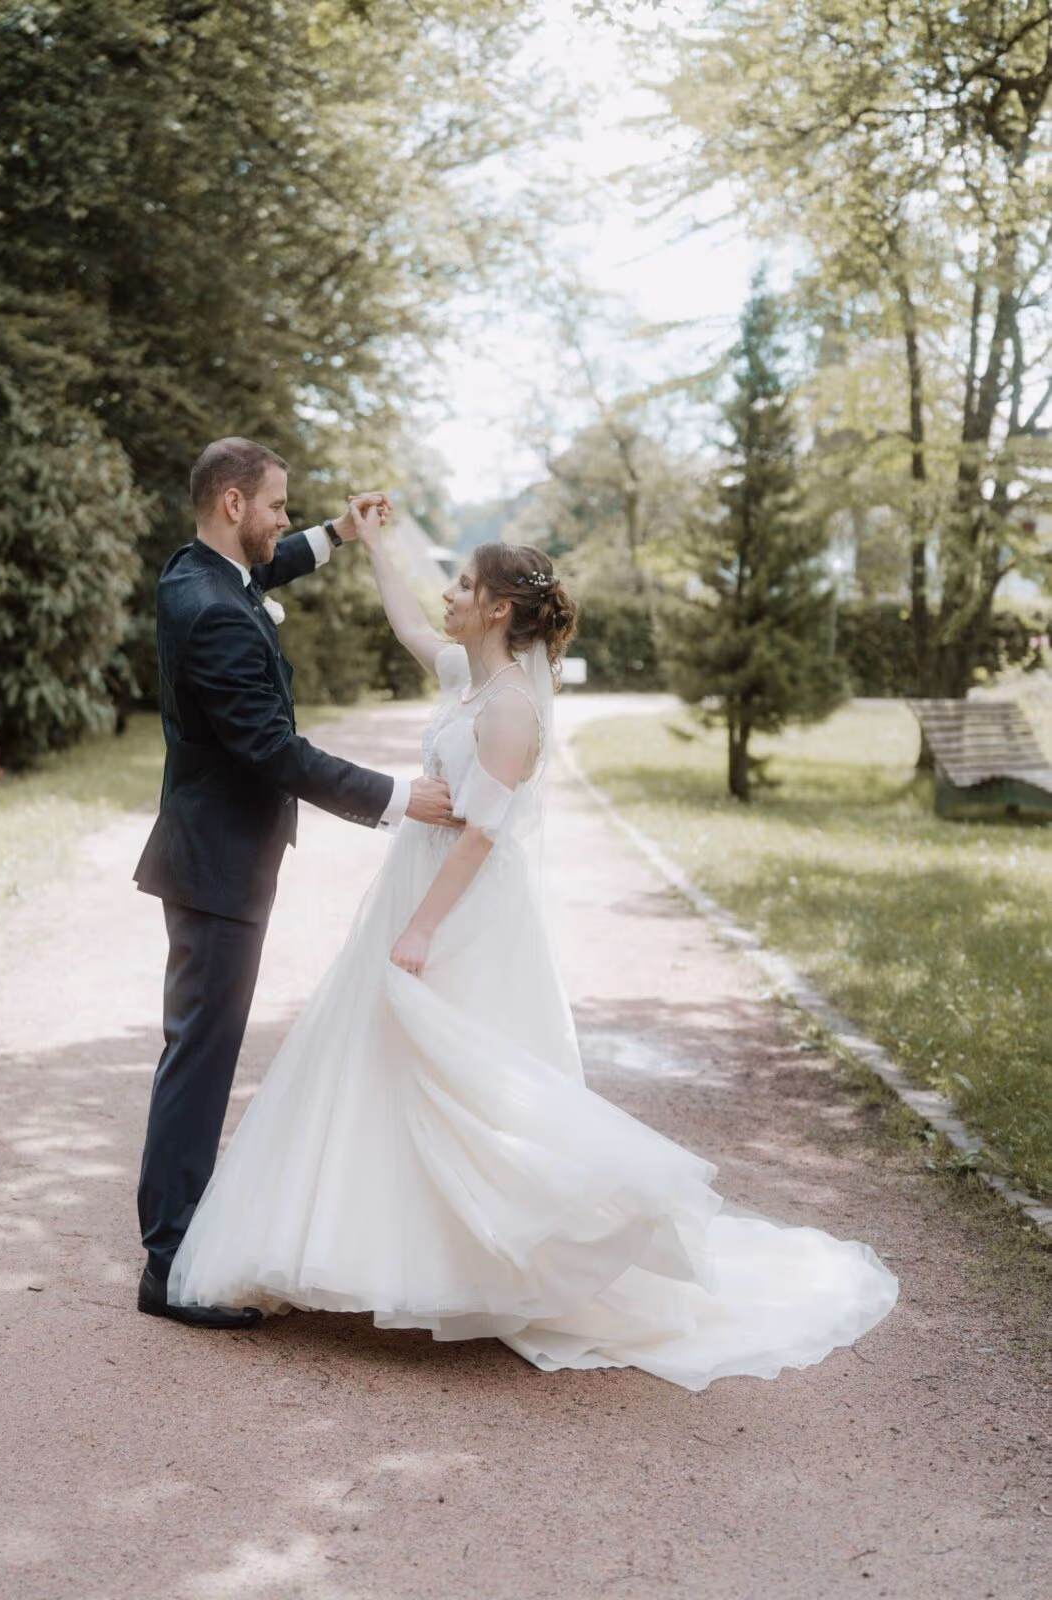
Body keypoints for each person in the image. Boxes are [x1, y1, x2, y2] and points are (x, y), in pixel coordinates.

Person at [167, 508, 898, 1392]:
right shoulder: (466, 681)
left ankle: (503, 1263)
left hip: (463, 906)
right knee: (385, 1064)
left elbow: (481, 834)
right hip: (421, 881)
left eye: (464, 586)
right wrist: (371, 549)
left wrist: (421, 927)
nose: (449, 595)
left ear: (500, 610)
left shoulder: (511, 707)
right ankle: (390, 1249)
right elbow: (406, 622)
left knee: (466, 1075)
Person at [134, 438, 456, 1329]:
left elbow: (261, 577)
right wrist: (398, 798)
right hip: (216, 865)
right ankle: (169, 1264)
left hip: (213, 853)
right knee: (199, 1056)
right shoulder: (215, 613)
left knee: (198, 1048)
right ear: (233, 505)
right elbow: (272, 749)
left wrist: (338, 535)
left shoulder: (196, 574)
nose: (283, 518)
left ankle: (177, 1243)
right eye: (276, 505)